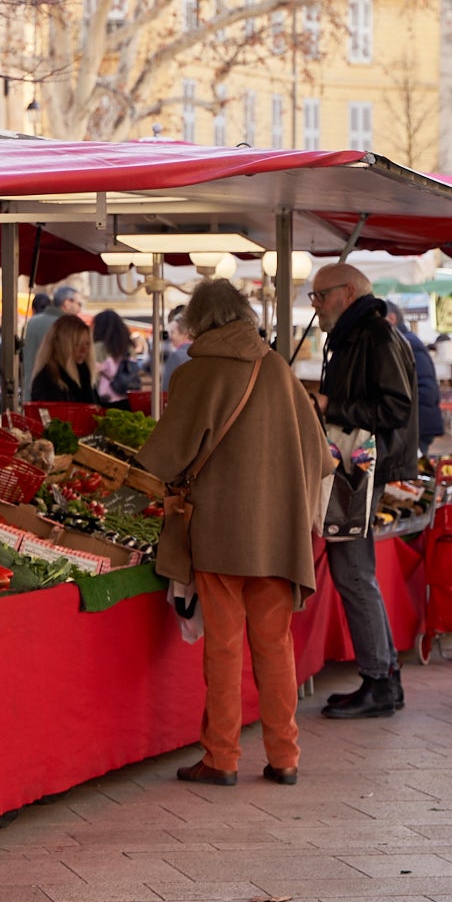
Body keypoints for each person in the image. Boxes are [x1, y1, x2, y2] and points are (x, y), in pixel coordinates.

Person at [137, 279, 327, 787]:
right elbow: (320, 455)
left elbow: (165, 456)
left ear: (199, 322)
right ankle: (284, 757)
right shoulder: (278, 369)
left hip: (220, 531)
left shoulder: (196, 374)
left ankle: (221, 758)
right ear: (243, 315)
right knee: (276, 645)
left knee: (223, 647)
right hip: (279, 534)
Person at [307, 262, 418, 721]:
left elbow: (395, 406)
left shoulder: (374, 336)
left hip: (360, 467)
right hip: (357, 465)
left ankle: (379, 680)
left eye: (320, 296)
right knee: (353, 569)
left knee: (353, 571)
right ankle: (382, 677)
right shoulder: (359, 335)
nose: (315, 306)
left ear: (347, 293)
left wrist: (332, 405)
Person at [384, 305, 442, 456]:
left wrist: (405, 418)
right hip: (417, 423)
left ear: (391, 319)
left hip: (418, 424)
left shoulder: (406, 343)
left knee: (412, 472)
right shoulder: (403, 341)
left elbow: (426, 390)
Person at [29, 314, 105, 405]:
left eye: (87, 344)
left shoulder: (84, 373)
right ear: (62, 345)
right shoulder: (47, 380)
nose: (84, 350)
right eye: (77, 344)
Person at [23, 285, 83, 387]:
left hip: (31, 390)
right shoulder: (64, 325)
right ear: (67, 303)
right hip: (54, 393)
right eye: (79, 304)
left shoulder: (33, 321)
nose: (79, 309)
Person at [92, 309, 141, 402]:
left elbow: (94, 377)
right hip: (127, 397)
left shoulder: (97, 348)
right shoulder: (129, 348)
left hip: (105, 398)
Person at [160, 310, 193, 390]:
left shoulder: (176, 356)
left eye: (172, 332)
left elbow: (165, 388)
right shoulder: (201, 353)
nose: (170, 337)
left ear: (185, 333)